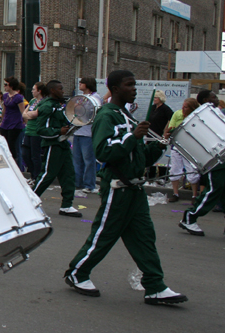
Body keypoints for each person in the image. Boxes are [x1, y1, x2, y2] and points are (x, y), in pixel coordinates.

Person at [64, 69, 187, 305]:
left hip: (134, 188)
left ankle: (154, 285)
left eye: (135, 84)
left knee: (144, 237)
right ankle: (77, 273)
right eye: (130, 85)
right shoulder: (107, 115)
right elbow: (102, 152)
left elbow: (139, 157)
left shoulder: (125, 116)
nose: (135, 89)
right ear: (116, 88)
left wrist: (161, 143)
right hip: (117, 187)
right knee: (104, 234)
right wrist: (133, 137)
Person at [178, 90, 225, 241]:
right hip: (213, 160)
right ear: (206, 100)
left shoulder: (216, 113)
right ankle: (189, 217)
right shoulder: (201, 117)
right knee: (214, 191)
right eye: (214, 97)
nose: (217, 99)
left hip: (223, 159)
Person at [32, 80, 82, 218]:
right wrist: (58, 131)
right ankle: (29, 200)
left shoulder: (59, 105)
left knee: (68, 175)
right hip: (52, 145)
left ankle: (66, 205)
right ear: (53, 90)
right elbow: (41, 130)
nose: (62, 91)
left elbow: (64, 121)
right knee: (47, 175)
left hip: (63, 144)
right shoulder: (48, 106)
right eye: (60, 89)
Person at [164, 98, 200, 203]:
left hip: (190, 146)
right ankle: (175, 193)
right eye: (183, 106)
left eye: (186, 107)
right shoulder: (177, 114)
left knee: (192, 170)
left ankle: (194, 195)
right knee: (175, 169)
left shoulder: (196, 116)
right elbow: (171, 128)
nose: (183, 109)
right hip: (177, 144)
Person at [72, 77, 101, 196]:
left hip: (88, 133)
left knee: (88, 160)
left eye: (82, 83)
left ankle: (89, 184)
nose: (79, 84)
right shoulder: (80, 97)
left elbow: (91, 111)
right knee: (77, 160)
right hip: (77, 131)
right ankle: (77, 182)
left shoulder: (95, 97)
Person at [21, 81, 48, 184]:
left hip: (36, 132)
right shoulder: (32, 101)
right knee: (25, 154)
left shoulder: (43, 102)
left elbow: (35, 115)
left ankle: (36, 177)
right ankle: (32, 175)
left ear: (39, 91)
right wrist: (29, 114)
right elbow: (24, 114)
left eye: (33, 89)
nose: (32, 91)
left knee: (35, 155)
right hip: (28, 130)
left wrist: (30, 114)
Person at [0, 76, 26, 168]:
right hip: (6, 123)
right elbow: (4, 109)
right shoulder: (6, 96)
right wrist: (1, 120)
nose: (4, 86)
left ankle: (14, 165)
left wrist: (25, 122)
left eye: (6, 84)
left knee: (11, 145)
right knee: (3, 142)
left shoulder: (18, 97)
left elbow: (23, 111)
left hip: (15, 124)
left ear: (11, 85)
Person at [147, 90, 173, 181]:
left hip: (159, 134)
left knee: (160, 156)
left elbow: (171, 118)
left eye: (156, 98)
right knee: (150, 154)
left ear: (160, 98)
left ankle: (162, 176)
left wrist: (166, 130)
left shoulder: (165, 109)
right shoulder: (153, 107)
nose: (154, 100)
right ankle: (150, 176)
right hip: (150, 134)